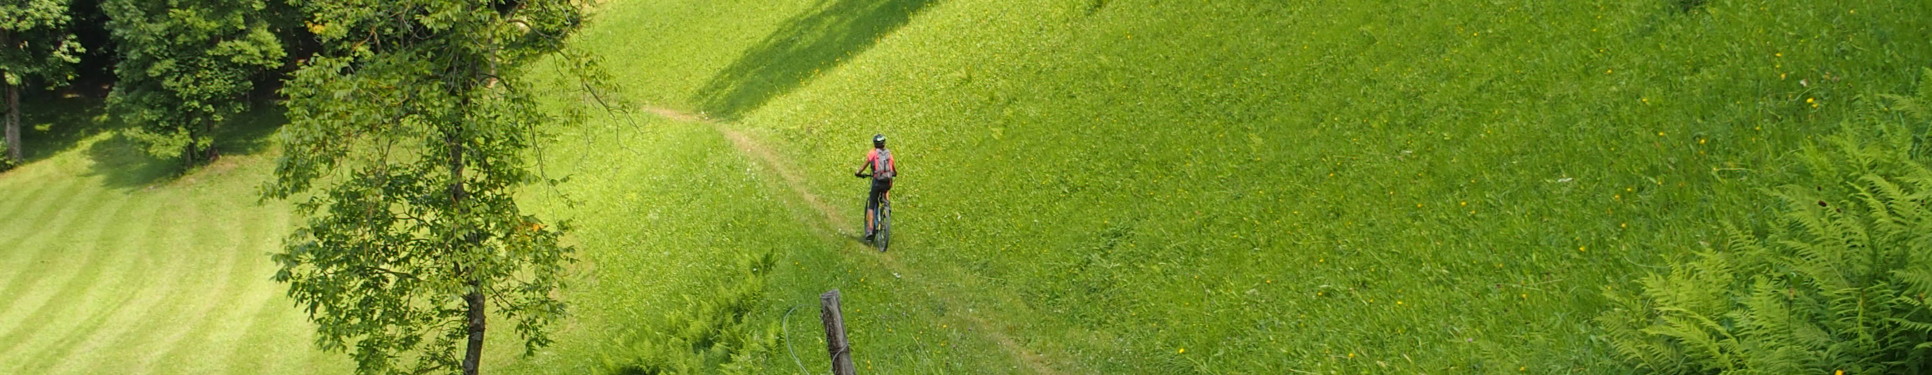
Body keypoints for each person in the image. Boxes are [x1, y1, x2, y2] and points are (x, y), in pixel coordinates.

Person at [854, 133, 897, 241]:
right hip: (887, 182)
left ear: (875, 144)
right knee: (886, 188)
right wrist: (894, 173)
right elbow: (893, 169)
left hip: (877, 182)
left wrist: (858, 172)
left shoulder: (872, 153)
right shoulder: (889, 154)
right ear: (884, 143)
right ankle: (887, 205)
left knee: (872, 204)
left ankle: (869, 229)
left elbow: (864, 166)